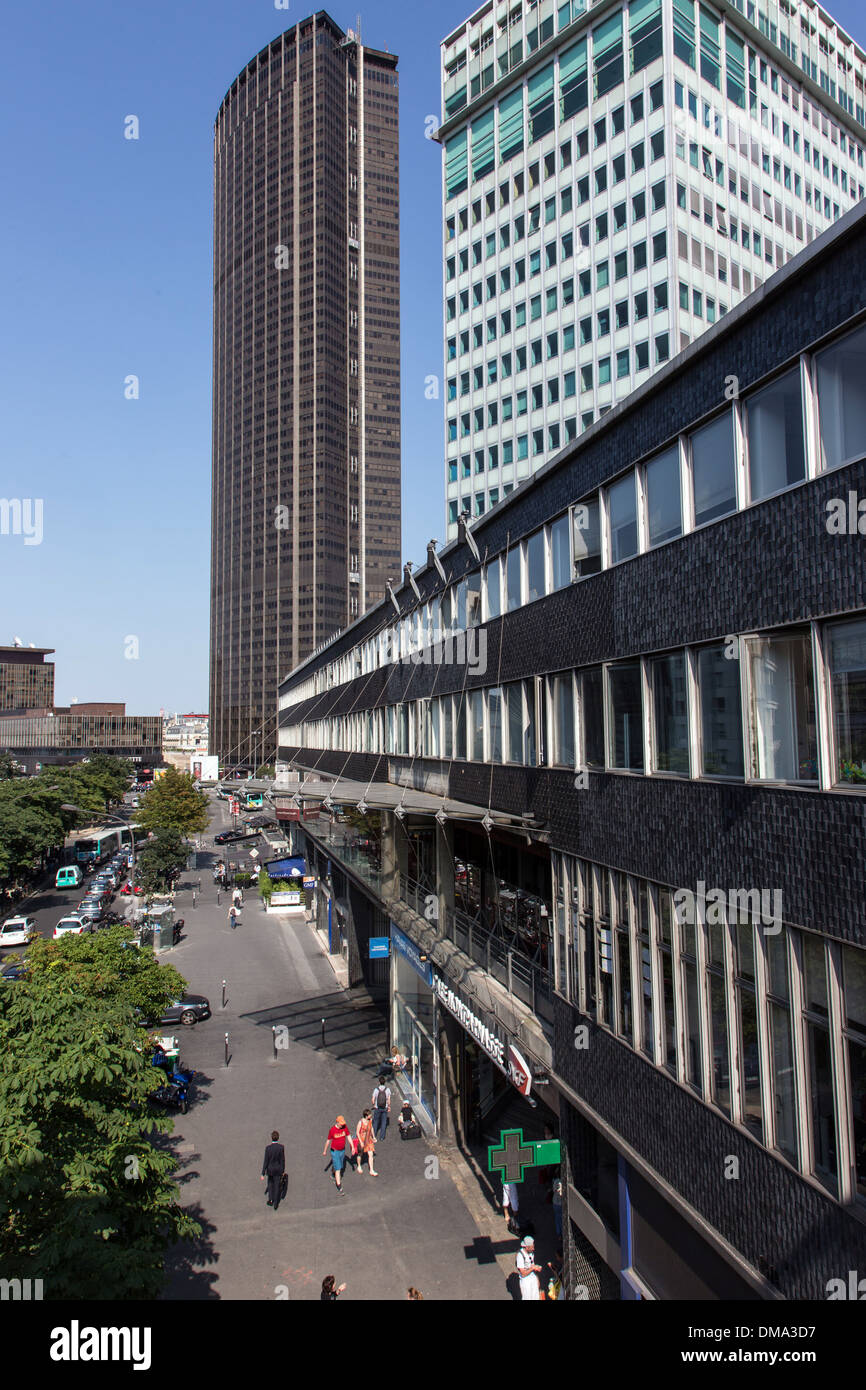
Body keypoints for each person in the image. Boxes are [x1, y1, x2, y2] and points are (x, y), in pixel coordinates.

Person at [323, 1115, 352, 1193]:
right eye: (341, 1123)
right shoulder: (332, 1130)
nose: (342, 1125)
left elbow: (348, 1136)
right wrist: (325, 1150)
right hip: (335, 1151)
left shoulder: (345, 1127)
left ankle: (333, 1174)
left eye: (343, 1123)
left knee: (339, 1166)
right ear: (337, 1122)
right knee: (338, 1169)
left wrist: (352, 1146)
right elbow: (328, 1140)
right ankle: (339, 1186)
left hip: (342, 1151)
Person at [261, 1130, 286, 1211]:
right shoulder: (281, 1147)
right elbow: (282, 1160)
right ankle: (276, 1203)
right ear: (278, 1138)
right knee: (277, 1186)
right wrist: (282, 1170)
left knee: (270, 1184)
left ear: (271, 1138)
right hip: (278, 1170)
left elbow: (266, 1161)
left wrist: (263, 1173)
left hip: (270, 1170)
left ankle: (271, 1200)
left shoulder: (268, 1148)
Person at [516, 1236, 542, 1300]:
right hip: (526, 1280)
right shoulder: (520, 1256)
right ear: (526, 1247)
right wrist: (532, 1268)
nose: (533, 1249)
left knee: (536, 1297)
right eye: (532, 1247)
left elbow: (532, 1264)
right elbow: (523, 1274)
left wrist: (536, 1278)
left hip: (532, 1277)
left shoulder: (531, 1253)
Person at [355, 1108, 378, 1176]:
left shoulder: (370, 1121)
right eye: (370, 1115)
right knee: (360, 1153)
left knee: (370, 1154)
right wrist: (360, 1141)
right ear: (366, 1115)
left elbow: (371, 1128)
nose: (371, 1115)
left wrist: (373, 1137)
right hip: (362, 1139)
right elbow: (357, 1132)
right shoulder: (360, 1122)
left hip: (369, 1139)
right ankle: (359, 1166)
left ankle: (371, 1170)